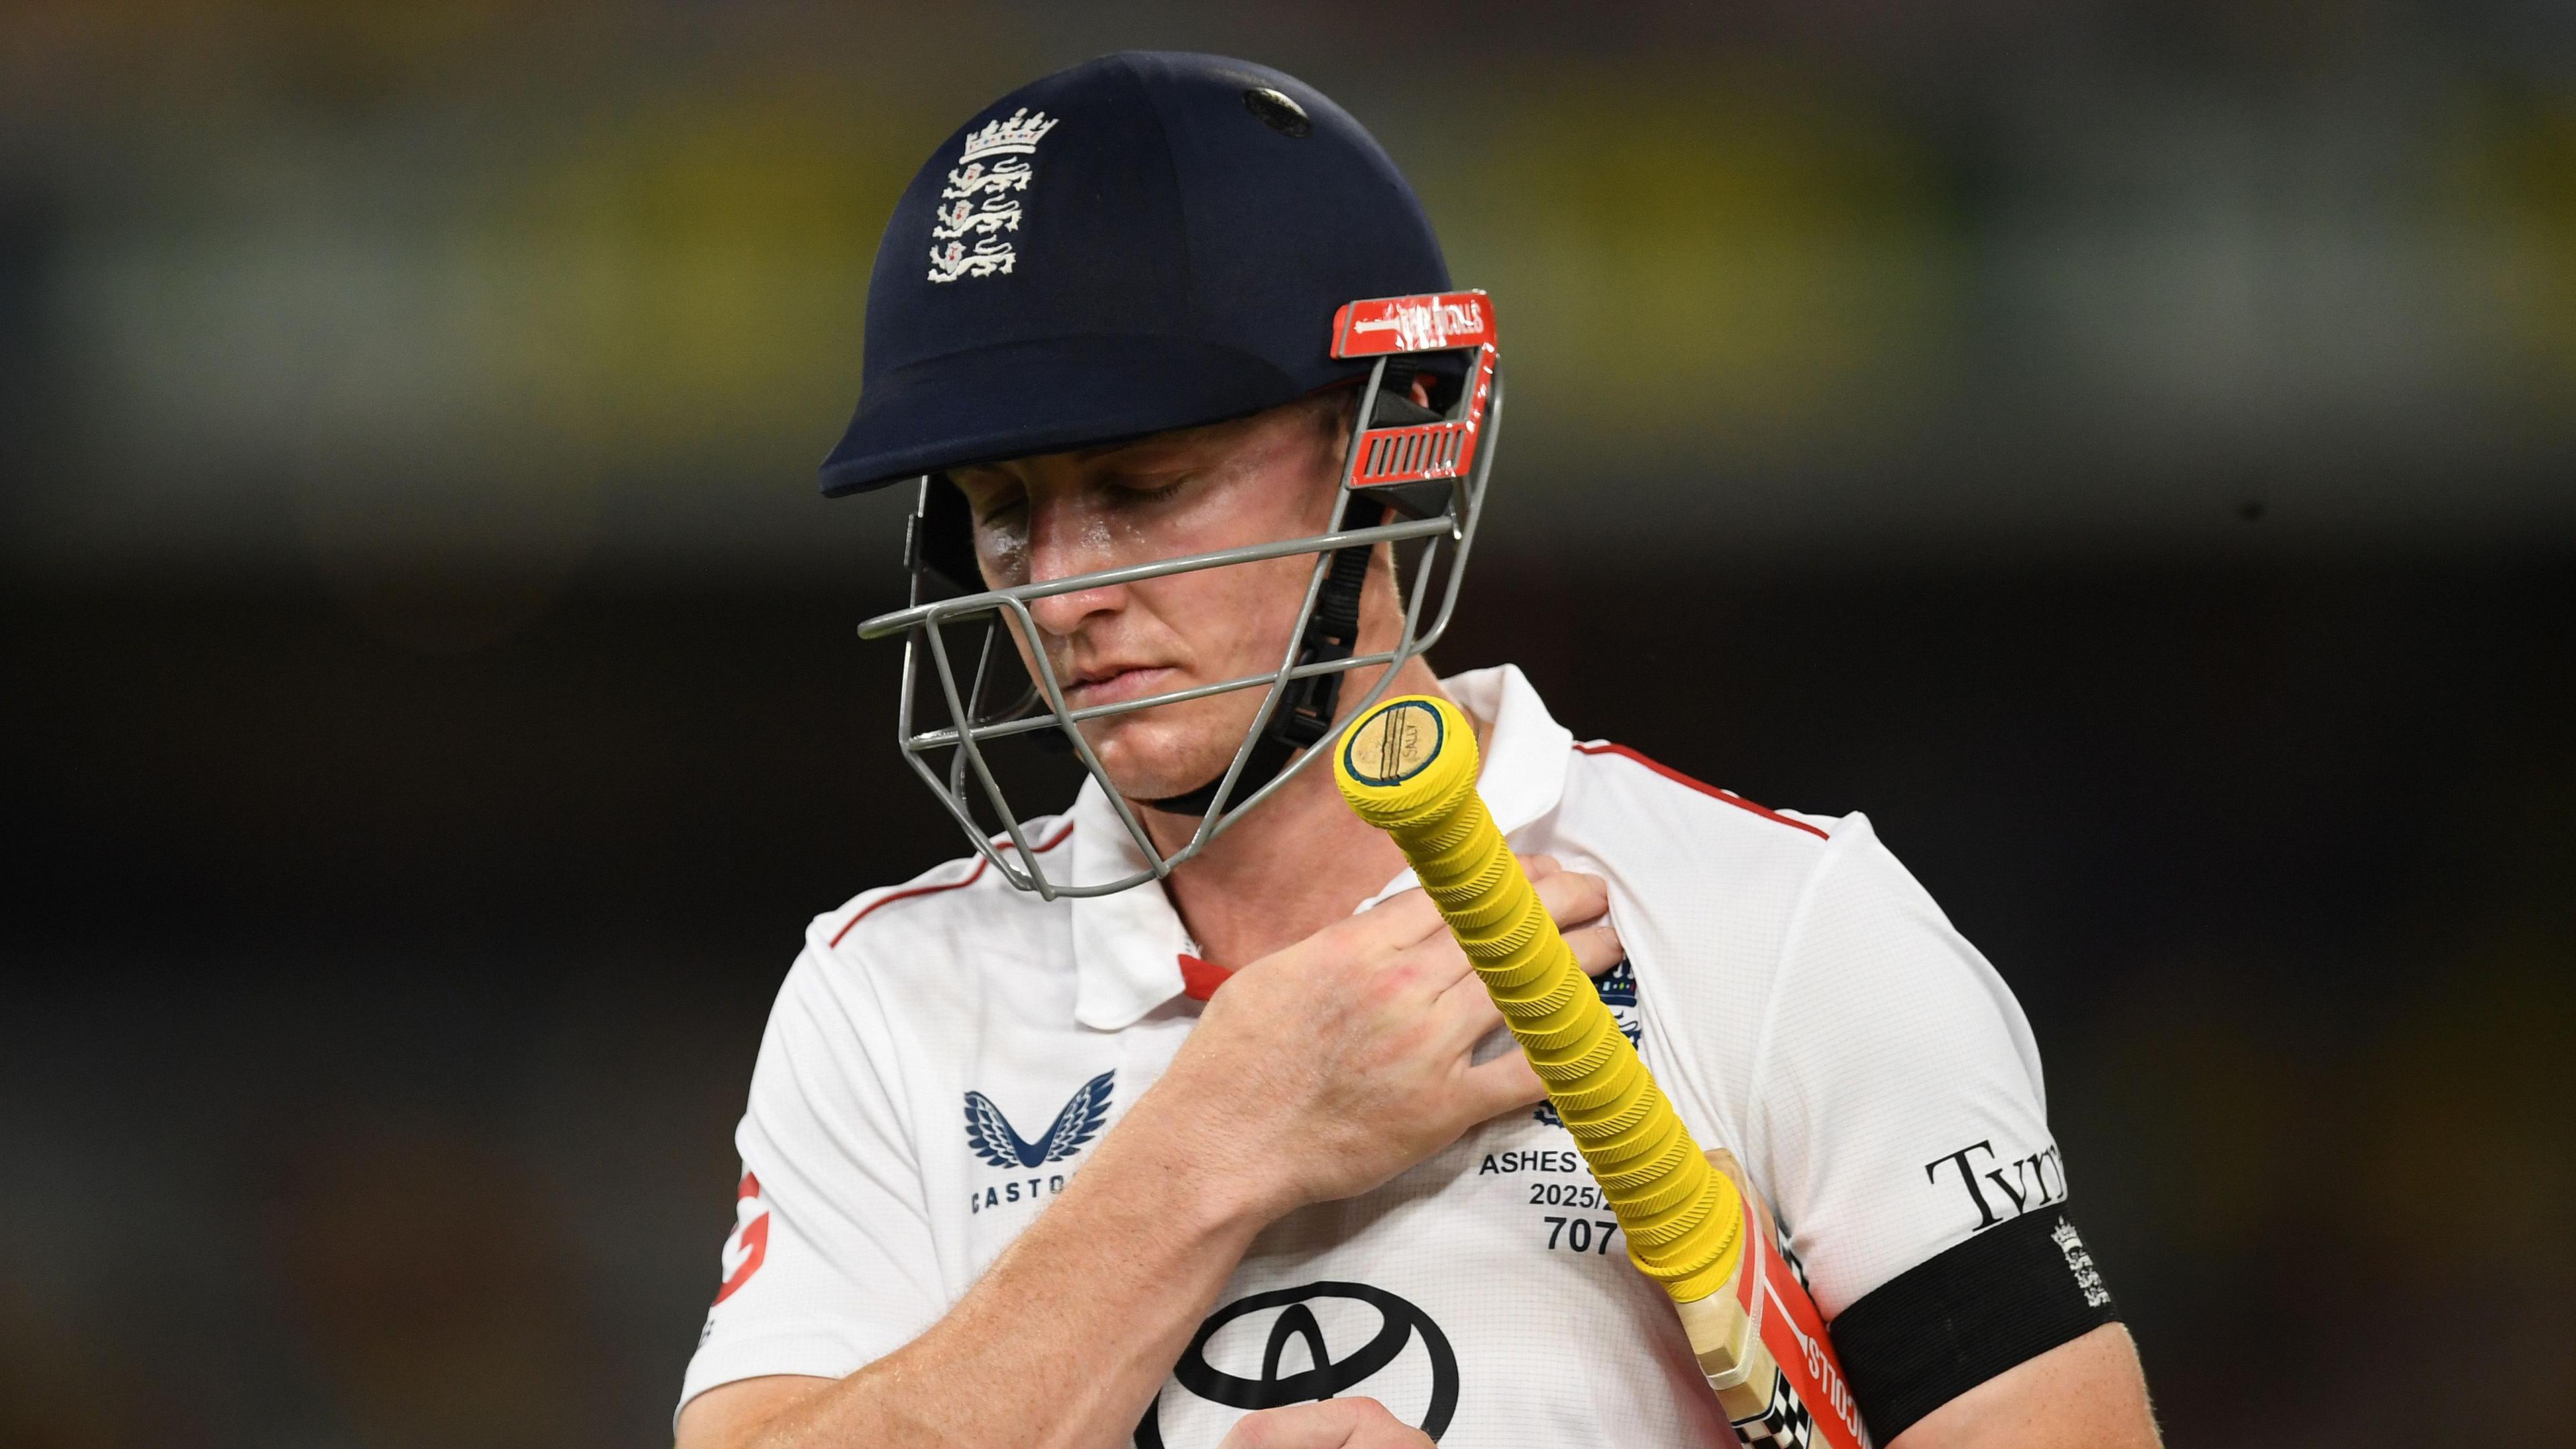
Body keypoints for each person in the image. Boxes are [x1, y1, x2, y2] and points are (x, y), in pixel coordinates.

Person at [675, 52, 2159, 1449]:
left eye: (1143, 485)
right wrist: (1218, 1136)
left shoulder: (1780, 927)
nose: (1063, 587)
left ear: (1400, 431)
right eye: (1004, 507)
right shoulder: (884, 996)